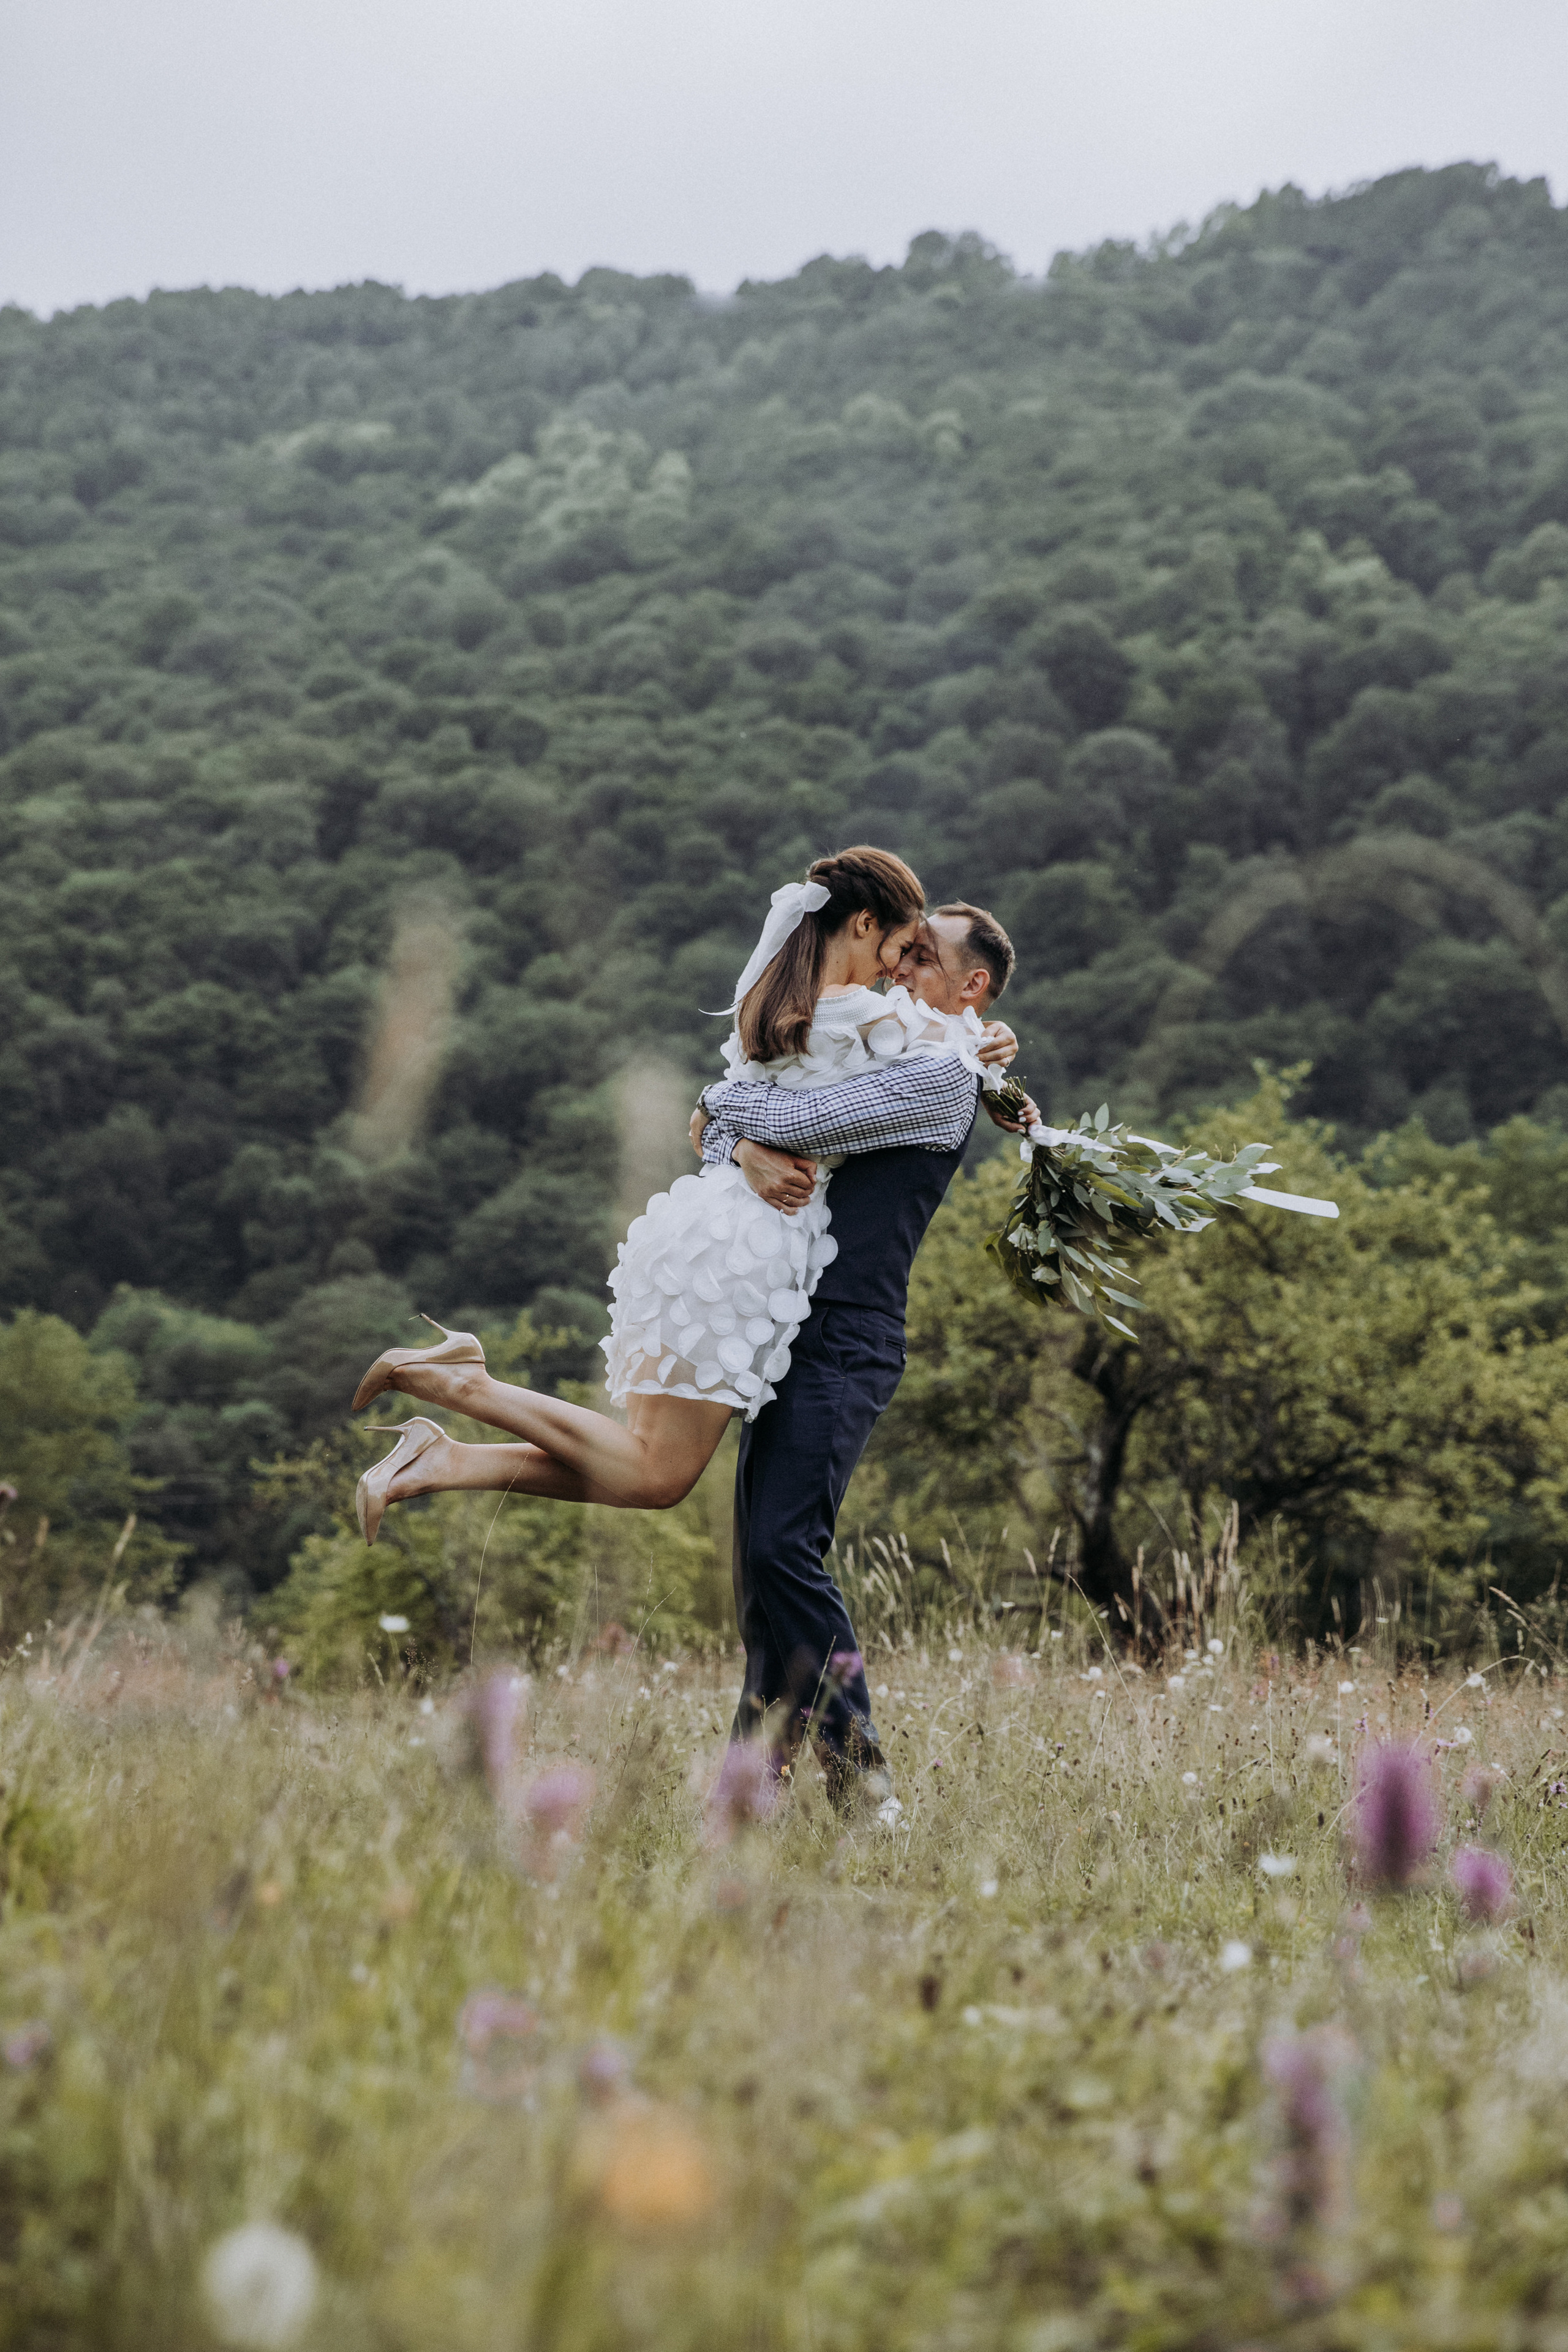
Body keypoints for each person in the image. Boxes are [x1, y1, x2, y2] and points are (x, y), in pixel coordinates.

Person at [347, 854, 1022, 1562]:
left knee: (642, 1465)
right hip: (744, 1255)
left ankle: (446, 1459)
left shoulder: (776, 1002)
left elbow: (728, 1115)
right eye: (900, 947)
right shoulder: (867, 1016)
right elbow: (840, 1101)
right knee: (653, 1473)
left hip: (702, 1232)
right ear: (861, 923)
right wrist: (986, 1044)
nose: (899, 969)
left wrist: (726, 1129)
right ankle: (461, 1381)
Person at [690, 899, 1029, 1789]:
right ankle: (749, 1786)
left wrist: (724, 1114)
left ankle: (862, 1770)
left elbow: (787, 1121)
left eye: (921, 957)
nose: (896, 968)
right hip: (794, 1326)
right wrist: (735, 1142)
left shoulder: (939, 1076)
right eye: (901, 950)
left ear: (973, 985)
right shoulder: (907, 1050)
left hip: (848, 1331)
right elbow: (728, 1134)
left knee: (783, 1551)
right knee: (763, 1568)